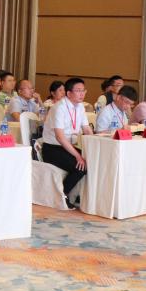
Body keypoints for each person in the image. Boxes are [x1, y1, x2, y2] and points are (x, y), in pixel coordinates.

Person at [41, 78, 93, 207]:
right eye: (78, 90)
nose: (82, 93)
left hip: (68, 147)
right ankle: (62, 196)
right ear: (69, 93)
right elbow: (60, 137)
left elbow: (87, 129)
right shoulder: (59, 108)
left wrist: (95, 145)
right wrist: (78, 156)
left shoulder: (80, 107)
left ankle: (81, 195)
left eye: (83, 90)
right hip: (52, 148)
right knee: (80, 167)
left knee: (93, 161)